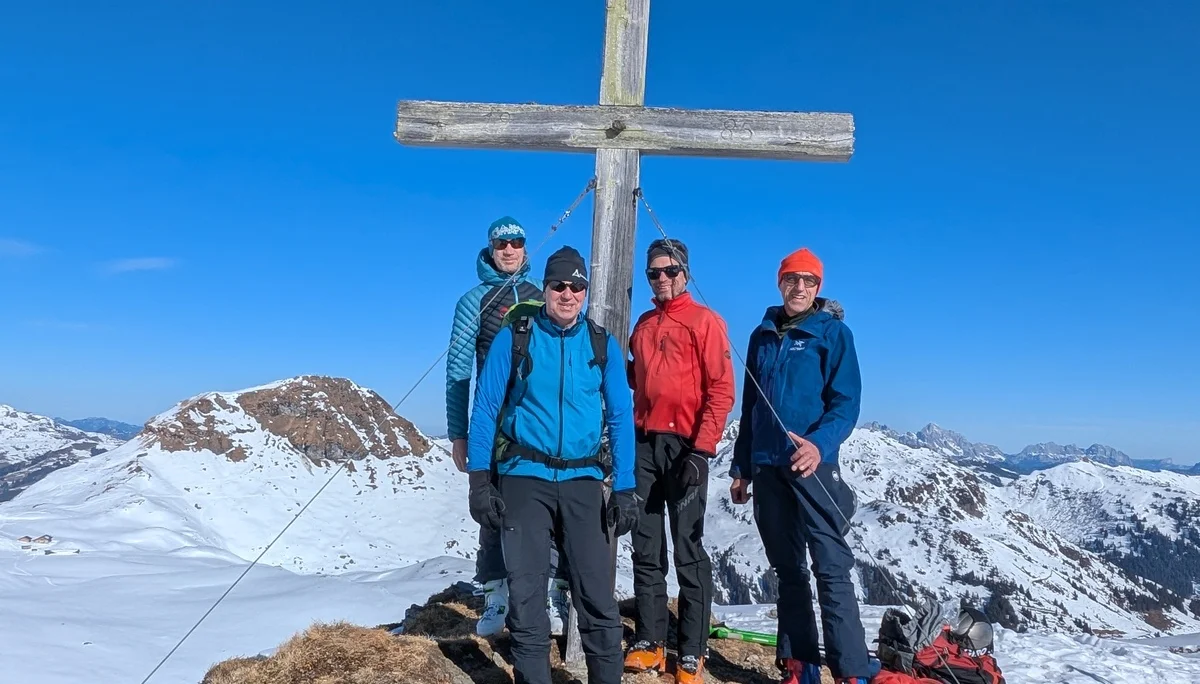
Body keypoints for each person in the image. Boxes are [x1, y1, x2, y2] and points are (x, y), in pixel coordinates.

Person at [466, 245, 640, 684]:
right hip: (525, 478)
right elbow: (486, 407)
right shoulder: (517, 335)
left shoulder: (602, 343)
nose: (567, 294)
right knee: (527, 602)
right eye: (558, 285)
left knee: (598, 600)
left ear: (585, 291)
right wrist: (479, 480)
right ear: (544, 289)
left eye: (576, 286)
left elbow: (620, 415)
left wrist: (624, 486)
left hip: (584, 479)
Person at [728, 247, 868, 684]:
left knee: (830, 567)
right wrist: (742, 467)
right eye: (792, 279)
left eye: (809, 281)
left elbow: (846, 405)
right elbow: (751, 406)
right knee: (788, 570)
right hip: (767, 467)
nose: (800, 287)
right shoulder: (761, 335)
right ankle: (800, 664)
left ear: (819, 287)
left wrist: (819, 446)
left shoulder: (833, 334)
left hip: (813, 468)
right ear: (780, 282)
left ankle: (852, 671)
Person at [444, 216, 570, 636]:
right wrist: (458, 433)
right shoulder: (473, 301)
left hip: (540, 420)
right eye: (502, 243)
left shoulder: (542, 294)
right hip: (492, 421)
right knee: (491, 505)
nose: (510, 249)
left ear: (525, 246)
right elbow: (458, 370)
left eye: (516, 241)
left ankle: (551, 594)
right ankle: (496, 597)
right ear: (490, 249)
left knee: (551, 505)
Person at [623, 239, 735, 683]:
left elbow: (722, 390)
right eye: (654, 272)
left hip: (685, 446)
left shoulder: (705, 322)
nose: (662, 279)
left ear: (686, 273)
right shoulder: (645, 323)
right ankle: (650, 641)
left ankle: (691, 651)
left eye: (670, 271)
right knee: (646, 547)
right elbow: (636, 377)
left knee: (688, 550)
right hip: (644, 444)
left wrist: (702, 450)